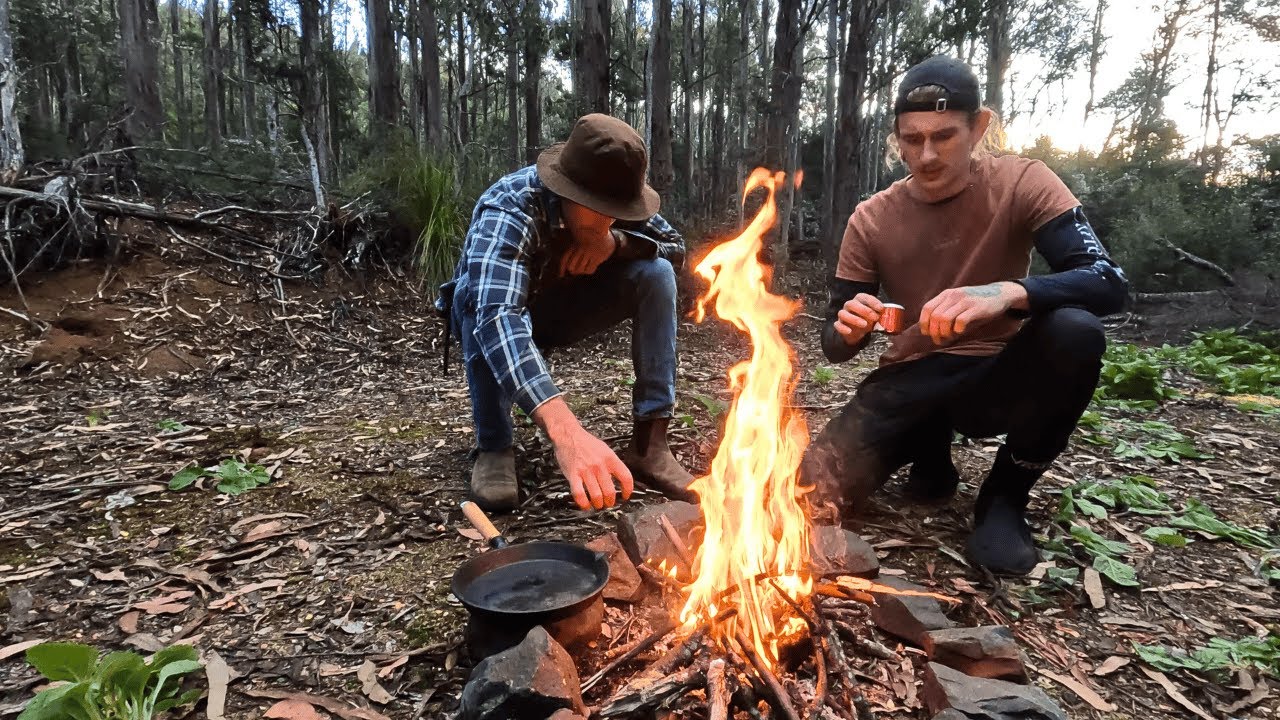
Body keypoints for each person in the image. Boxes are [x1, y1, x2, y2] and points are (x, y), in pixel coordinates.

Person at [801, 56, 1129, 575]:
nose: (926, 155)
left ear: (979, 127)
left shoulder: (1024, 181)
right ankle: (929, 456)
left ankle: (1004, 498)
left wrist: (1008, 292)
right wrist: (849, 328)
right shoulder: (872, 218)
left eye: (944, 136)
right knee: (808, 494)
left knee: (1075, 331)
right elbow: (833, 344)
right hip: (912, 375)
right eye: (911, 139)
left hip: (995, 374)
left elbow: (1108, 283)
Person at [437, 113, 695, 514]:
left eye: (618, 210)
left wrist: (616, 244)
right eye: (598, 209)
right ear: (569, 191)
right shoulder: (511, 208)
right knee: (475, 289)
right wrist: (567, 432)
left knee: (656, 272)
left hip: (564, 311)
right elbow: (498, 316)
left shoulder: (618, 197)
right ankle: (494, 446)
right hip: (497, 317)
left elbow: (675, 248)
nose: (609, 217)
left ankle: (649, 446)